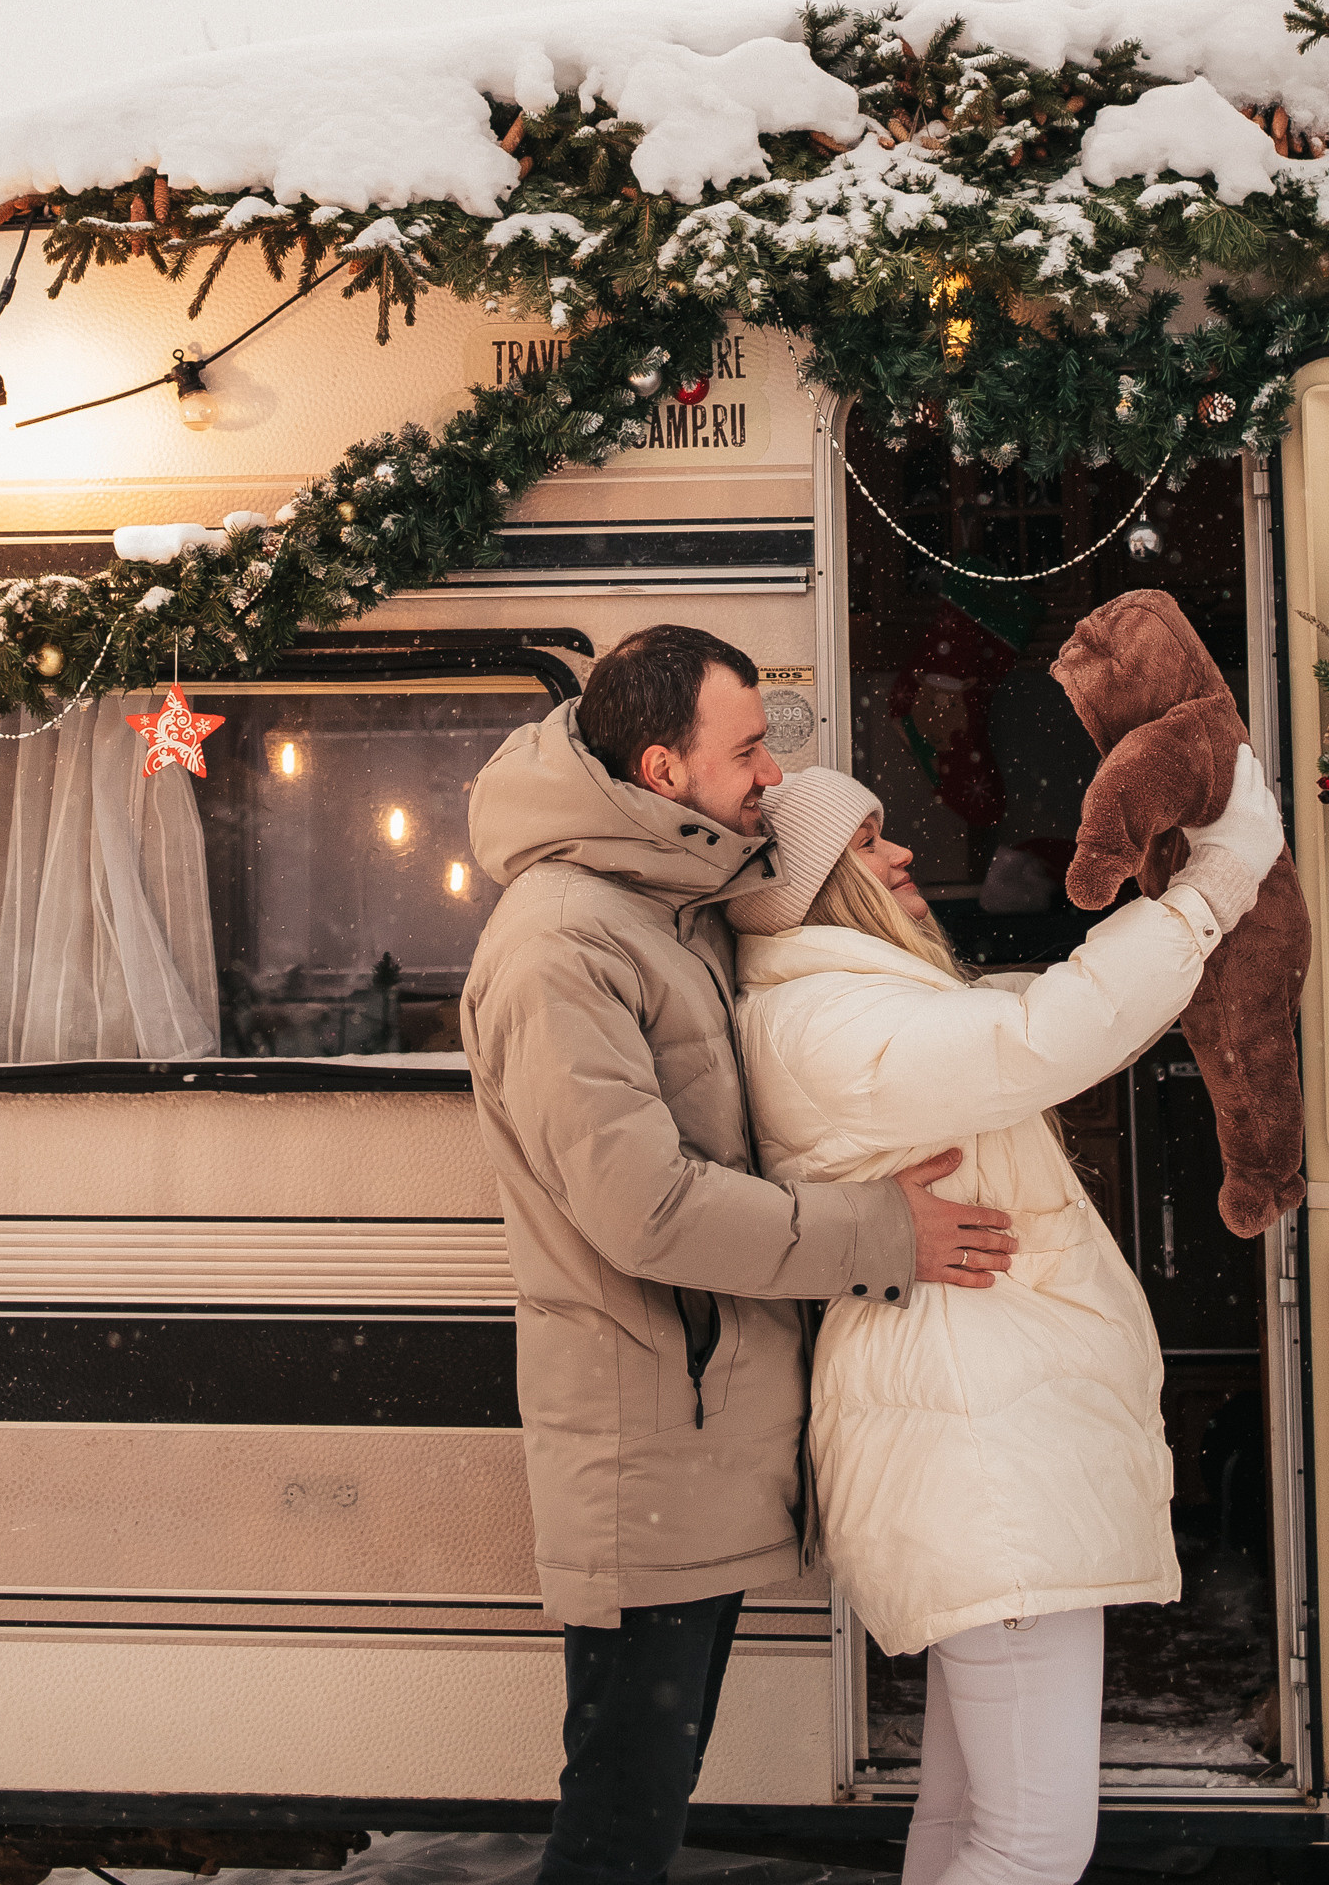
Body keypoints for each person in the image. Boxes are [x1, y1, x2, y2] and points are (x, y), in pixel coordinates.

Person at [461, 625, 1019, 1885]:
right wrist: (885, 1236)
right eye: (751, 747)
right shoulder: (566, 943)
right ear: (663, 768)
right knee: (620, 1818)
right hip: (645, 1441)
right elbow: (646, 1207)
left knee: (638, 1801)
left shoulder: (668, 904)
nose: (773, 774)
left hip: (695, 1435)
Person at [729, 750, 1290, 1885]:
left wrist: (1184, 934)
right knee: (1035, 1843)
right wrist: (1212, 889)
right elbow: (1040, 1041)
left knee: (971, 1819)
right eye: (869, 844)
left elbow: (1056, 1032)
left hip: (969, 1429)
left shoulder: (847, 1004)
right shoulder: (828, 1021)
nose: (902, 855)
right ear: (813, 889)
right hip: (983, 1442)